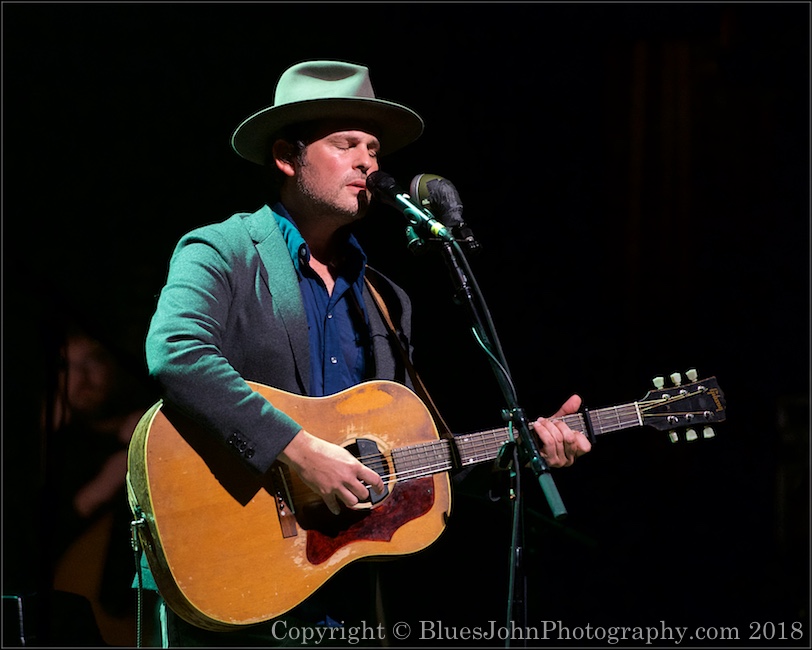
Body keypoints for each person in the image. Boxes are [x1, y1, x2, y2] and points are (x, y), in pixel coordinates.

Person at [137, 59, 591, 646]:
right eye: (345, 144)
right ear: (286, 157)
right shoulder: (222, 250)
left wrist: (520, 453)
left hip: (335, 588)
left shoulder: (385, 299)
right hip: (224, 568)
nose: (368, 163)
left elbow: (401, 460)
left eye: (374, 149)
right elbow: (176, 352)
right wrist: (298, 451)